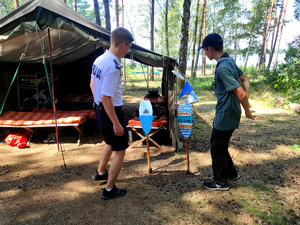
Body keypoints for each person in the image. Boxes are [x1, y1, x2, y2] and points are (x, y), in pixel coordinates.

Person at [200, 33, 258, 191]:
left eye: (204, 51)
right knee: (221, 144)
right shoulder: (229, 61)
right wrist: (247, 103)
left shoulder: (223, 68)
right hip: (231, 112)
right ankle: (232, 173)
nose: (204, 54)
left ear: (209, 49)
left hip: (225, 114)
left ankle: (220, 182)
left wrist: (247, 110)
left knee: (216, 146)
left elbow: (241, 93)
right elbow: (245, 78)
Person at [90, 27, 134, 200]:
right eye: (129, 46)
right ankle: (109, 190)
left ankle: (100, 173)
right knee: (120, 149)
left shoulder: (99, 59)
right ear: (123, 44)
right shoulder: (113, 66)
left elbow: (92, 85)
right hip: (110, 110)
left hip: (98, 108)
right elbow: (107, 98)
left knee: (109, 142)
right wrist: (116, 123)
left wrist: (99, 105)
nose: (128, 50)